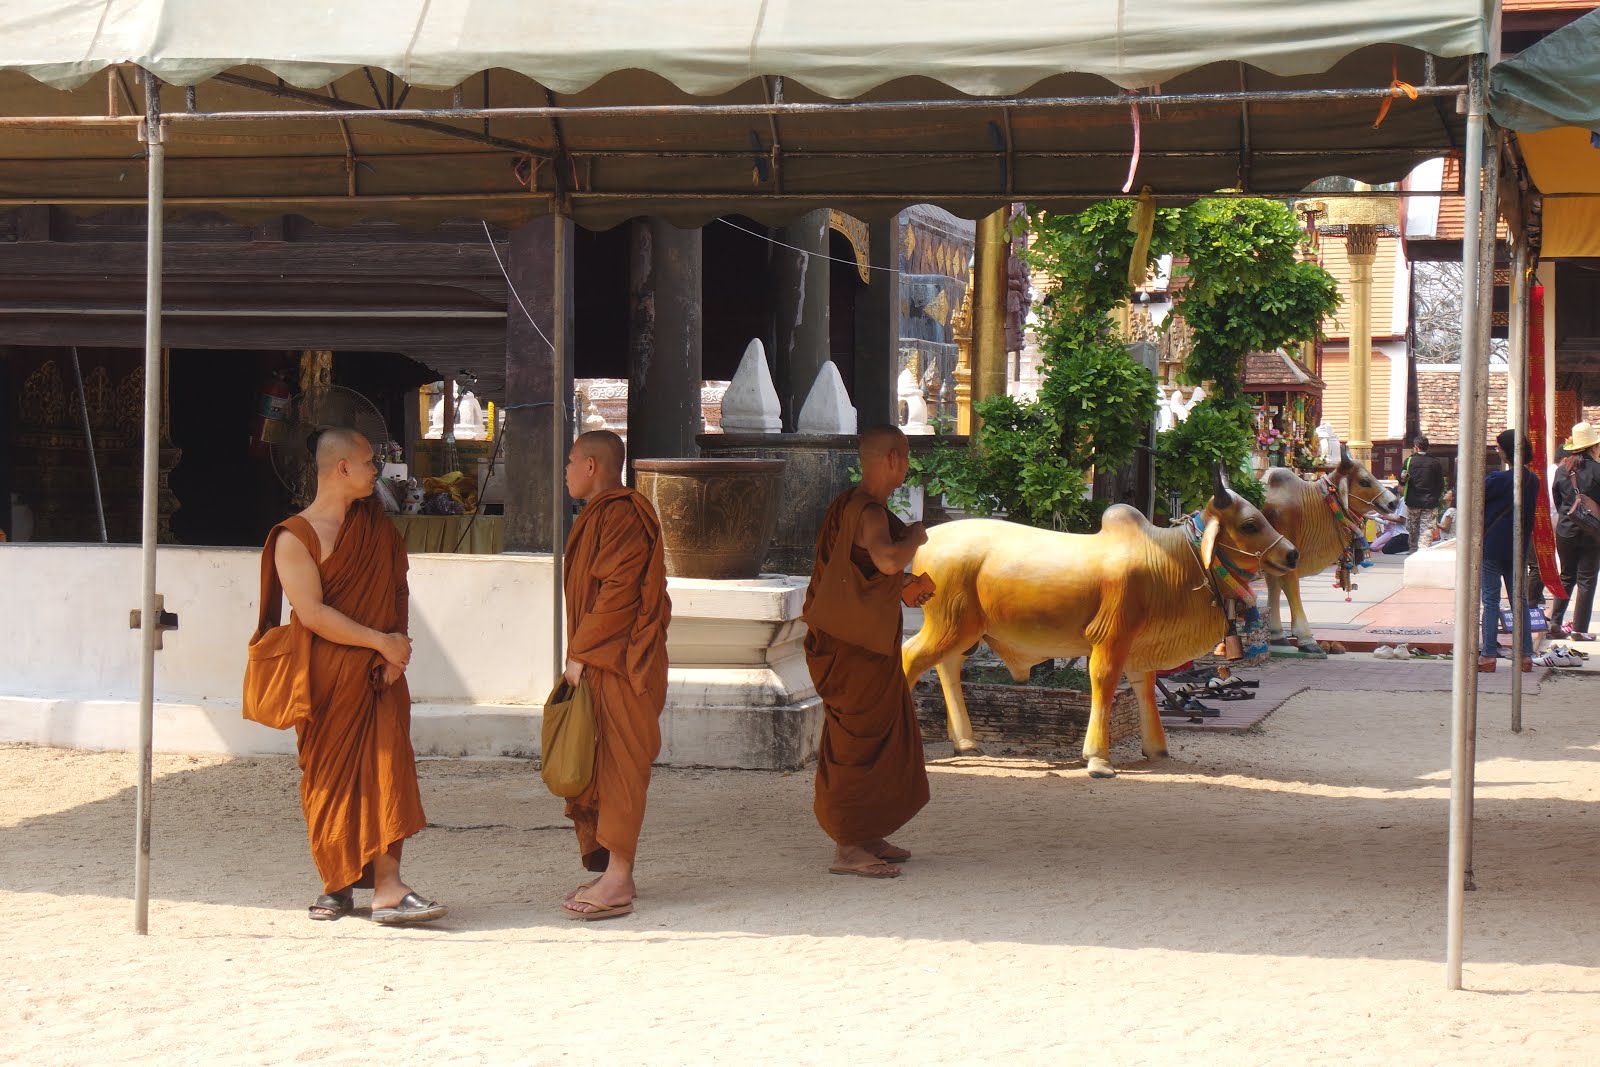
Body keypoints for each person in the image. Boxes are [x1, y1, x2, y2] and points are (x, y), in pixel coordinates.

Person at [267, 428, 445, 924]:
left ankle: (389, 886)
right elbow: (312, 613)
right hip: (326, 677)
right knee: (330, 778)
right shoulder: (294, 537)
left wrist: (396, 648)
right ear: (342, 467)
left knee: (388, 773)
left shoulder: (376, 527)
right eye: (369, 462)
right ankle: (337, 882)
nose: (376, 471)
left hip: (381, 676)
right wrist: (379, 642)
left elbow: (396, 589)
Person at [802, 425, 932, 879]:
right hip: (855, 650)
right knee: (857, 742)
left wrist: (903, 587)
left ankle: (868, 832)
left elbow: (858, 575)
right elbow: (887, 560)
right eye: (906, 455)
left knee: (880, 737)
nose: (907, 464)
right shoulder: (870, 512)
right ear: (893, 459)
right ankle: (848, 845)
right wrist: (916, 537)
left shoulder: (849, 505)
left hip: (859, 644)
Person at [558, 429, 672, 920]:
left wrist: (580, 652)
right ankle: (614, 870)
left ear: (590, 466)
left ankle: (620, 877)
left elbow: (620, 591)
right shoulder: (599, 514)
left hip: (621, 662)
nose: (565, 472)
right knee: (601, 763)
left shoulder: (623, 514)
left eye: (570, 462)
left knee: (621, 766)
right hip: (603, 659)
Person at [1479, 430, 1539, 674]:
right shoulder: (1532, 480)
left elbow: (1473, 497)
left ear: (1506, 451)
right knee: (1519, 601)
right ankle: (1525, 655)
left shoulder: (1496, 480)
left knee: (1491, 601)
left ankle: (1488, 656)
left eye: (1498, 447)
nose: (1497, 451)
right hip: (1518, 547)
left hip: (1492, 546)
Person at [1549, 421, 1600, 642]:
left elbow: (1558, 501)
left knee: (1566, 576)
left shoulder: (1562, 471)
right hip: (1592, 531)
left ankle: (1555, 622)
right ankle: (1579, 629)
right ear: (1593, 447)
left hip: (1566, 530)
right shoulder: (1598, 470)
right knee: (1587, 579)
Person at [1400, 434, 1445, 551]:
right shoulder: (1435, 462)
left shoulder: (1409, 461)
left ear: (1415, 447)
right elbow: (1441, 484)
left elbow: (1402, 481)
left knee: (1413, 529)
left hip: (1412, 501)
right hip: (1430, 502)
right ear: (1427, 447)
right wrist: (1435, 497)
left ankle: (1413, 551)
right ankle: (1423, 551)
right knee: (1427, 529)